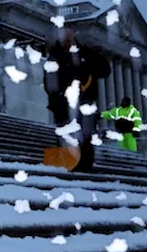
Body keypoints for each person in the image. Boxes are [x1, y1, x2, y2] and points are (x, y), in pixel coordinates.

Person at [44, 27, 111, 173]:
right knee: (66, 133)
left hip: (84, 102)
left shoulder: (85, 53)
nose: (67, 36)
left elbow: (105, 70)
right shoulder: (55, 56)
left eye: (69, 32)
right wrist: (57, 98)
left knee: (85, 135)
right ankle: (70, 164)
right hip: (63, 104)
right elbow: (50, 83)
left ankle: (85, 165)